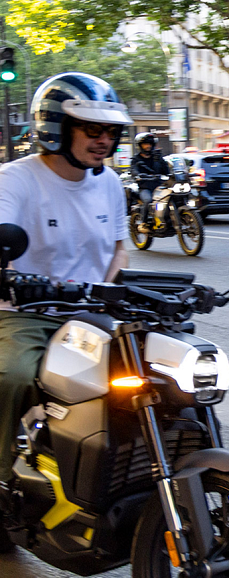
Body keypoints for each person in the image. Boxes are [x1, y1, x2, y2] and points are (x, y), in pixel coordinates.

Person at [0, 72, 132, 500]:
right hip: (28, 314)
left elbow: (120, 250)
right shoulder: (16, 179)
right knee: (15, 375)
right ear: (57, 127)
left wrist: (104, 293)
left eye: (110, 131)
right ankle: (2, 480)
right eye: (92, 129)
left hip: (91, 315)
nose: (104, 140)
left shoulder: (109, 182)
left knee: (159, 373)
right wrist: (14, 279)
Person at [131, 132, 170, 230]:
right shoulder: (136, 159)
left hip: (159, 186)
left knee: (171, 197)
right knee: (148, 200)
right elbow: (133, 170)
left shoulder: (157, 157)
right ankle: (143, 223)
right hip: (145, 187)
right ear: (140, 146)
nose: (148, 146)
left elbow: (167, 171)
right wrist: (138, 175)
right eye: (145, 144)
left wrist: (161, 162)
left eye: (149, 144)